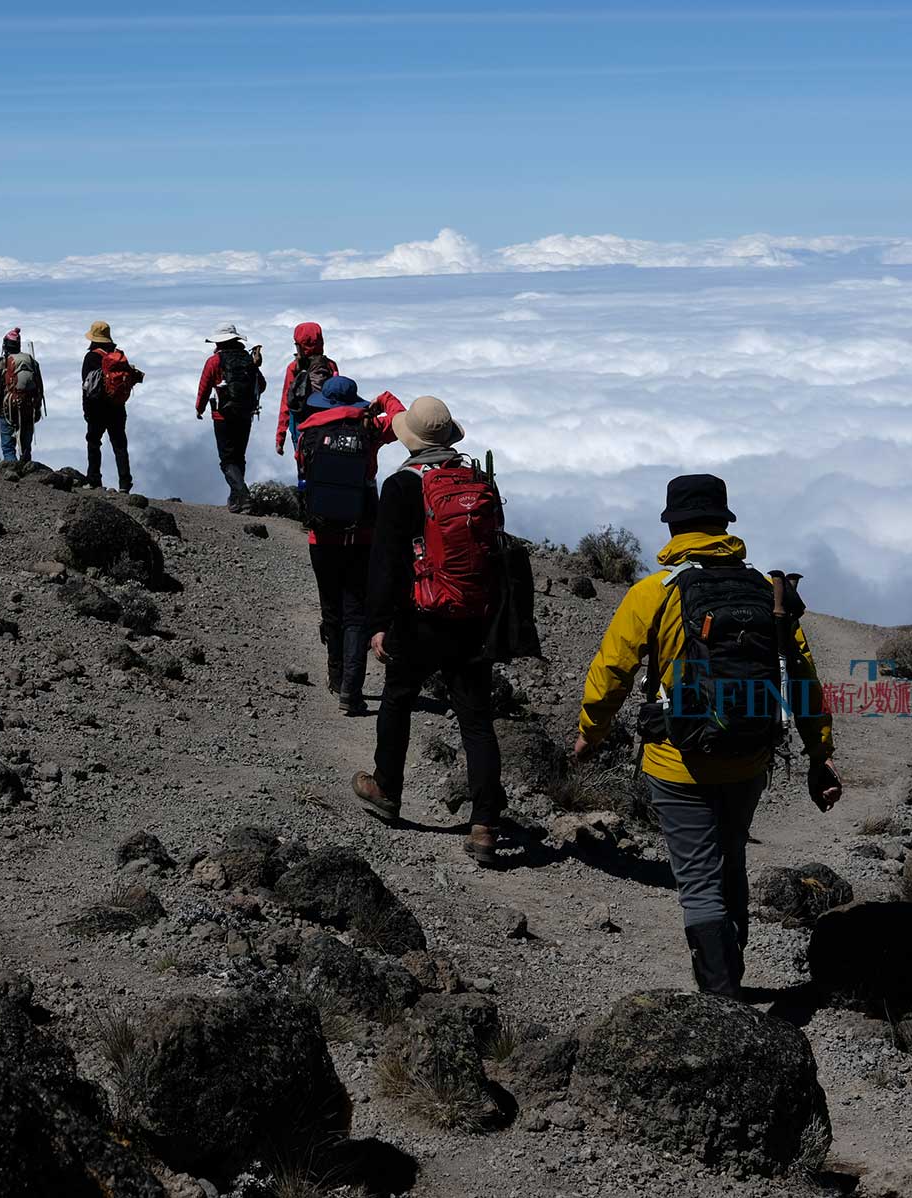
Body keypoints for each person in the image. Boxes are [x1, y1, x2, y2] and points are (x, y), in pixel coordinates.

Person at [571, 473, 842, 999]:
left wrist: (590, 733)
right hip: (750, 756)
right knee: (731, 860)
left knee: (698, 879)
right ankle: (731, 975)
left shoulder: (654, 592)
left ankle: (722, 999)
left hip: (678, 762)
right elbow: (803, 678)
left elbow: (611, 672)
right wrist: (819, 755)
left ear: (673, 527)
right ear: (724, 524)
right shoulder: (768, 593)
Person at [352, 396, 508, 866]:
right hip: (471, 616)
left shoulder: (402, 484)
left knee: (398, 697)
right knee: (476, 720)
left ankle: (386, 788)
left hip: (419, 616)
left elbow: (386, 560)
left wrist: (379, 624)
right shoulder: (477, 481)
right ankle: (484, 823)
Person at [296, 375, 405, 715]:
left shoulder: (307, 434)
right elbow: (403, 420)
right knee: (356, 610)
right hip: (362, 535)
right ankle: (351, 692)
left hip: (321, 536)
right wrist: (384, 399)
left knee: (331, 607)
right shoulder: (371, 430)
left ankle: (335, 675)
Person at [195, 322, 266, 512]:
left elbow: (204, 386)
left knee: (227, 459)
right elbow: (262, 384)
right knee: (239, 457)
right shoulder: (247, 359)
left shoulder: (214, 361)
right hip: (245, 413)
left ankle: (243, 495)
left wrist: (199, 408)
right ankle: (236, 501)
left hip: (222, 415)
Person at [81, 320, 143, 491]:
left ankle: (93, 479)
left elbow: (87, 386)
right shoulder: (118, 357)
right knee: (120, 445)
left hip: (96, 409)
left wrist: (86, 410)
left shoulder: (91, 357)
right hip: (117, 408)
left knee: (94, 442)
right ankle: (125, 483)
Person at [274, 321, 338, 457]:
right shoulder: (330, 366)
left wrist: (280, 436)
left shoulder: (294, 368)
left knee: (304, 462)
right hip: (327, 423)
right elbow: (339, 397)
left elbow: (286, 403)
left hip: (300, 425)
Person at [0, 327, 43, 463]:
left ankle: (11, 468)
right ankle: (27, 469)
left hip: (7, 409)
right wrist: (37, 408)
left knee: (8, 446)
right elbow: (40, 388)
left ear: (5, 345)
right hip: (29, 406)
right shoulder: (32, 362)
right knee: (26, 445)